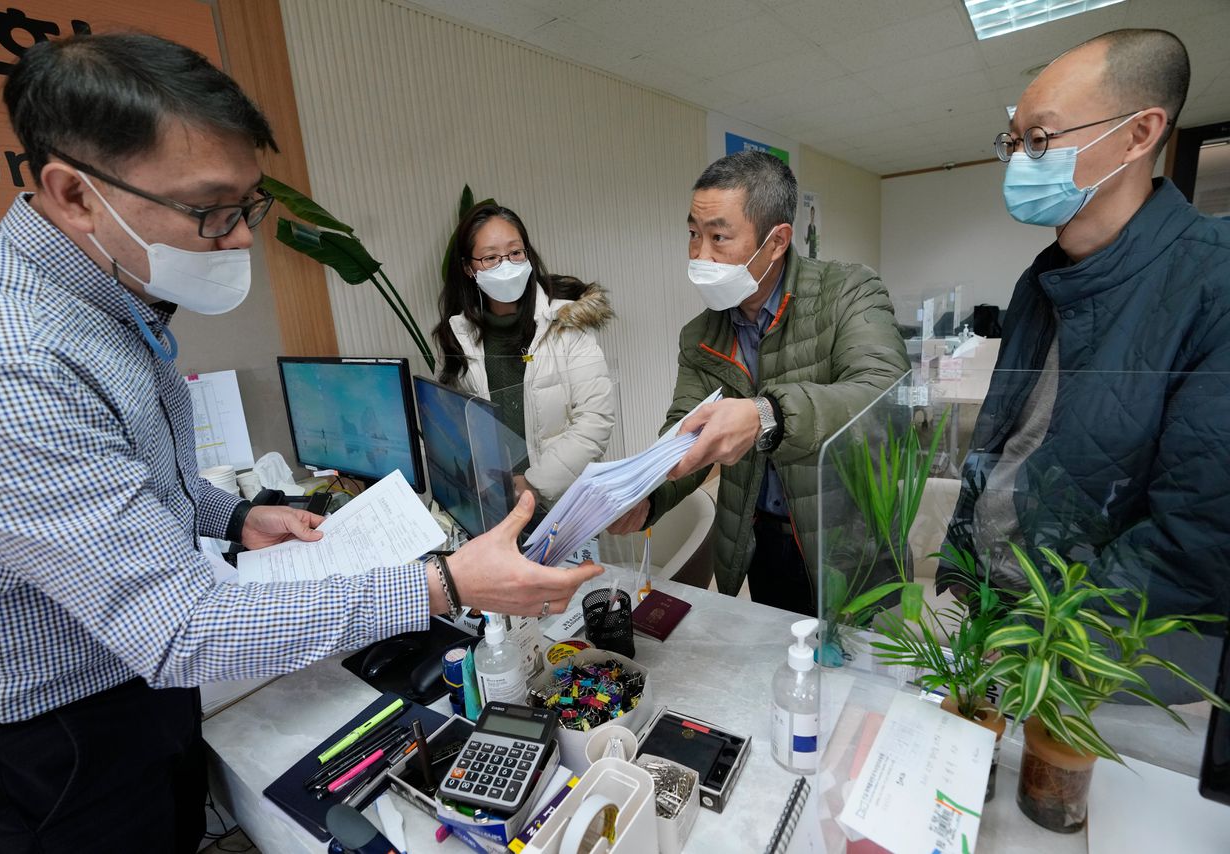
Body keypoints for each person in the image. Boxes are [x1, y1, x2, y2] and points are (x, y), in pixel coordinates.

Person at [0, 33, 600, 852]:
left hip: (137, 694)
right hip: (55, 738)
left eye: (247, 207)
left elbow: (128, 477)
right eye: (210, 211)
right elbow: (178, 628)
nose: (240, 240)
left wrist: (231, 517)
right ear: (75, 193)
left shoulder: (100, 296)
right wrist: (440, 584)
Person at [938, 30, 1230, 691]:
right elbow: (1007, 447)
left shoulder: (1213, 283)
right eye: (1012, 143)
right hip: (995, 605)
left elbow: (1197, 537)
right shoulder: (1041, 281)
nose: (1017, 162)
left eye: (1038, 140)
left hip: (1091, 649)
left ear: (1138, 134)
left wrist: (1047, 646)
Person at [610, 152, 909, 614]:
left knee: (856, 675)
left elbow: (884, 398)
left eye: (719, 238)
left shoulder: (849, 292)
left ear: (776, 242)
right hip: (760, 538)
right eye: (693, 234)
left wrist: (766, 414)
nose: (700, 255)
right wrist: (648, 495)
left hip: (847, 539)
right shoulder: (701, 334)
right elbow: (686, 429)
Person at [434, 203, 616, 503]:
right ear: (469, 268)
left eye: (515, 253)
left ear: (527, 255)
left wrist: (533, 485)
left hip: (560, 499)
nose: (506, 265)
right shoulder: (457, 337)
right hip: (492, 501)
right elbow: (453, 426)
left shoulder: (566, 325)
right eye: (490, 257)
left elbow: (595, 419)